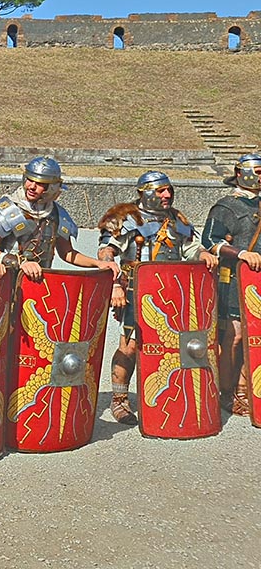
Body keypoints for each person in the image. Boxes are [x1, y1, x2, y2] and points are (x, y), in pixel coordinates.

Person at [97, 170, 218, 424]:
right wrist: (115, 285)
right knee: (129, 346)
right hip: (134, 290)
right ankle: (119, 399)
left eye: (169, 190)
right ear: (146, 192)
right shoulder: (125, 217)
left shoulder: (177, 219)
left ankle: (164, 396)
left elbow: (190, 248)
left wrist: (203, 253)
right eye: (161, 190)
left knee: (169, 346)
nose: (167, 195)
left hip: (170, 294)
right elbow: (107, 252)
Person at [0, 156, 118, 281]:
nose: (32, 187)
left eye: (40, 183)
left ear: (52, 187)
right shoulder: (6, 209)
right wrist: (20, 262)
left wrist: (98, 263)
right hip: (6, 283)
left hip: (41, 283)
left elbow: (67, 253)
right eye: (30, 180)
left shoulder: (57, 214)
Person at [201, 153, 261, 416]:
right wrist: (240, 253)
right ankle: (228, 391)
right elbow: (210, 241)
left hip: (258, 281)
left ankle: (247, 389)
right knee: (234, 336)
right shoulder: (226, 207)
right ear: (240, 174)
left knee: (256, 337)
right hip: (235, 279)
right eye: (257, 172)